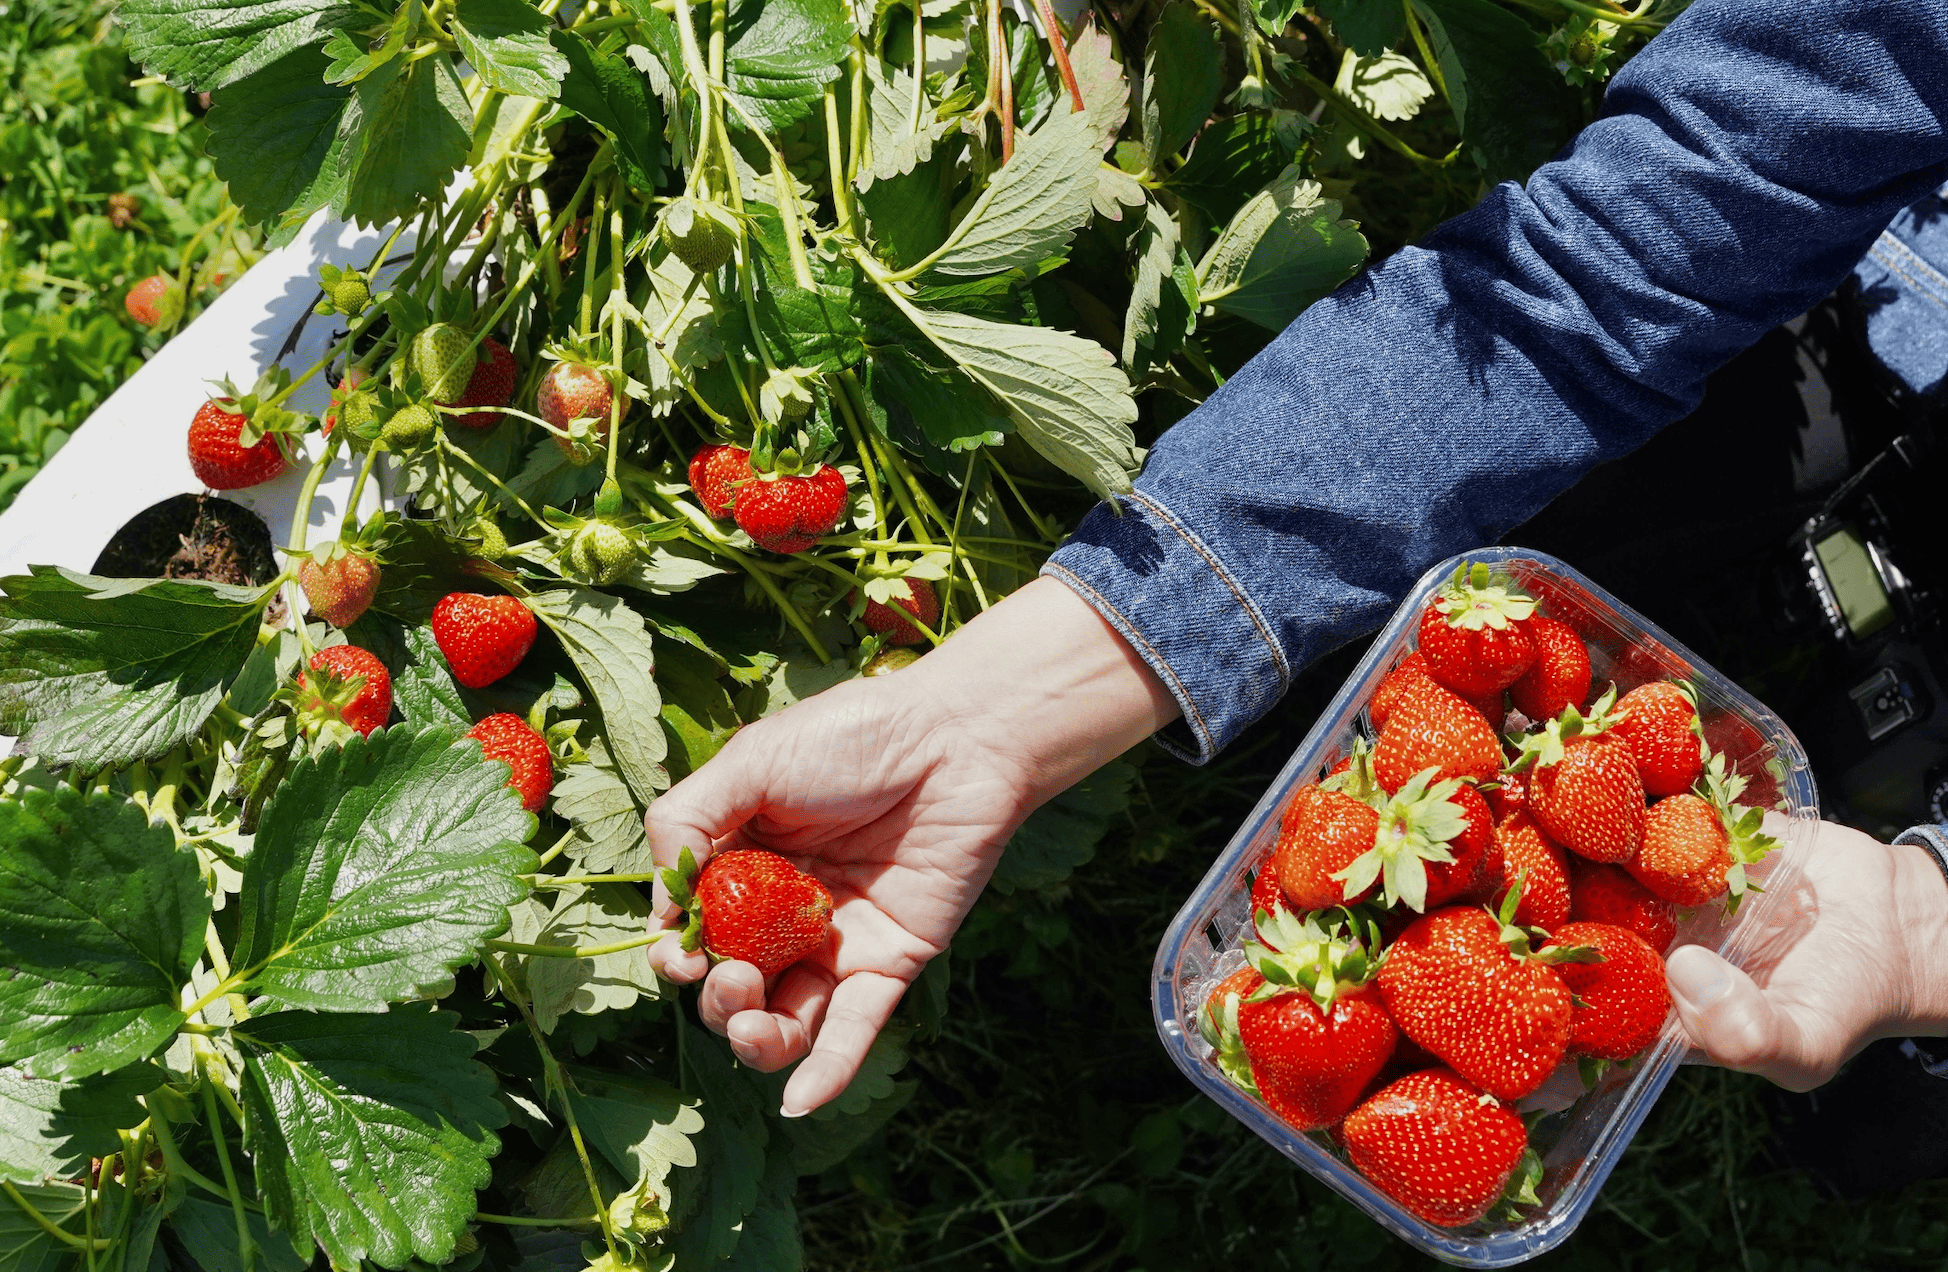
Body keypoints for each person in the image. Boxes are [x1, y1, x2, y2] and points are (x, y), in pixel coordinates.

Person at [647, 0, 1948, 1117]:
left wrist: (1921, 927)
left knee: (1871, 1132)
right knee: (1484, 631)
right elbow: (1600, 274)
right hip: (1892, 293)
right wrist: (997, 705)